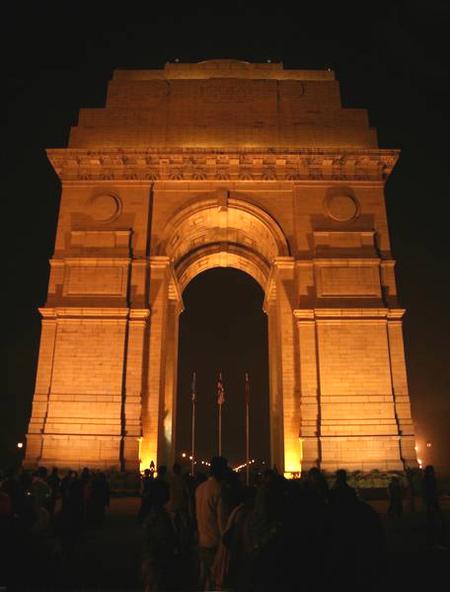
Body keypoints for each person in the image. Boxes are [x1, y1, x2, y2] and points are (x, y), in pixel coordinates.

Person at [195, 456, 229, 590]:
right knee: (218, 582)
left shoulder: (200, 488)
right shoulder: (220, 489)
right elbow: (222, 522)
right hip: (216, 544)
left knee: (206, 579)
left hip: (202, 540)